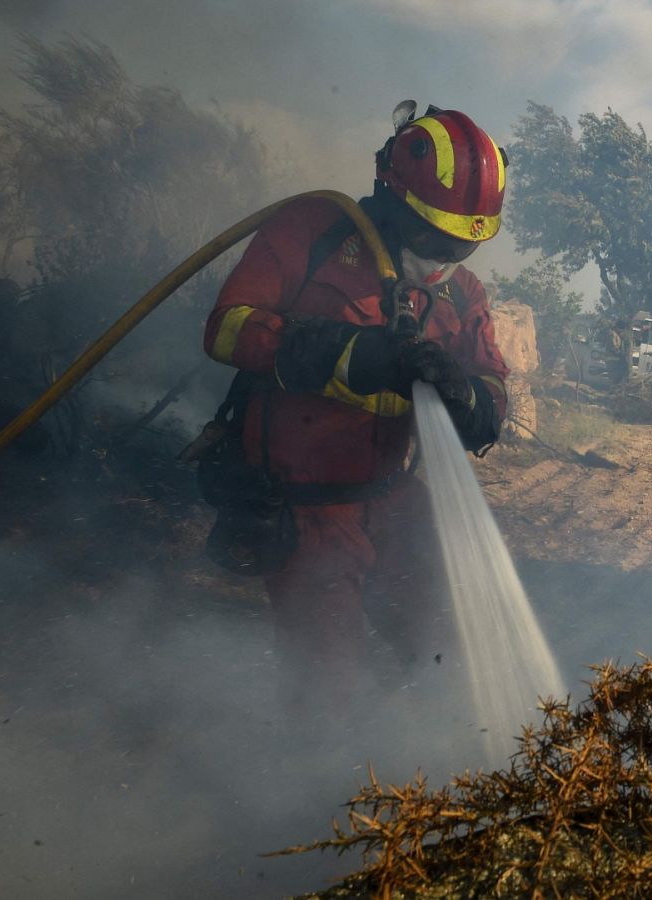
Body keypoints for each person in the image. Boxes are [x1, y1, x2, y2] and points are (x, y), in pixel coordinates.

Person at [201, 102, 511, 721]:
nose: (446, 255)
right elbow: (226, 328)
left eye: (463, 244)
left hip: (395, 497)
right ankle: (324, 798)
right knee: (329, 689)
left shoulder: (459, 290)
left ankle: (431, 776)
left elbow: (493, 387)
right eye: (434, 236)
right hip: (306, 508)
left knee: (451, 653)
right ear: (392, 199)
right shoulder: (312, 232)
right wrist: (343, 353)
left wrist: (467, 398)